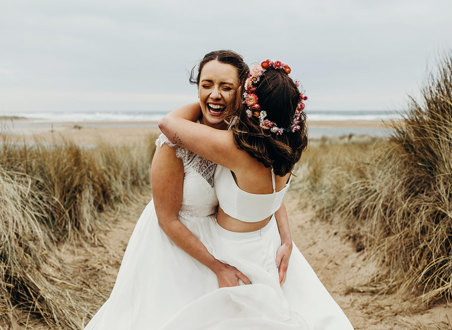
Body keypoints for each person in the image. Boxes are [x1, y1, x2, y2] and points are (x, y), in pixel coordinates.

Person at [85, 50, 295, 329]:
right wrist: (217, 267)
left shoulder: (243, 135)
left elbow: (264, 186)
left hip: (221, 244)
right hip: (176, 246)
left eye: (226, 87)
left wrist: (286, 237)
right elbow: (167, 219)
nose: (215, 94)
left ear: (243, 93)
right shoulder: (174, 142)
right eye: (206, 85)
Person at [159, 59, 354, 329]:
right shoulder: (286, 147)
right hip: (269, 243)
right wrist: (287, 240)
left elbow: (168, 124)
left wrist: (204, 97)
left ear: (249, 102)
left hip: (233, 249)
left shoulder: (236, 148)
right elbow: (274, 200)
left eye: (235, 89)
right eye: (207, 84)